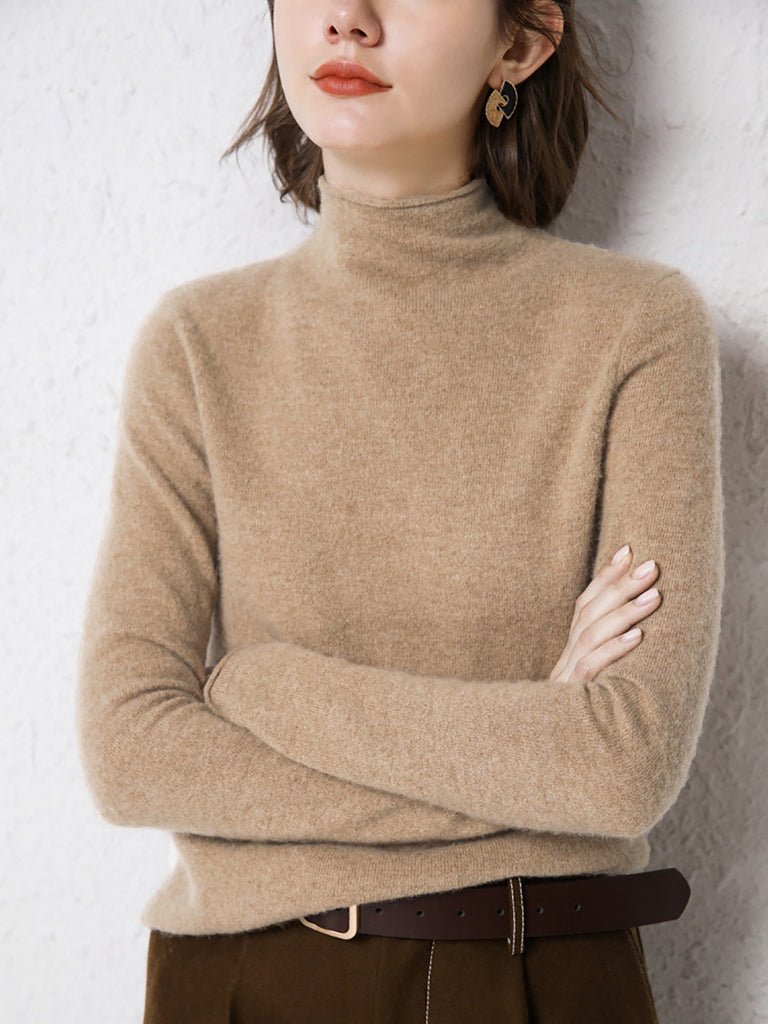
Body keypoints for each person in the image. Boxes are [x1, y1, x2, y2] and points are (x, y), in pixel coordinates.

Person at [75, 0, 724, 1021]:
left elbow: (622, 767)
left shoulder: (638, 328)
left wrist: (268, 689)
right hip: (244, 983)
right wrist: (529, 758)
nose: (348, 18)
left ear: (522, 40)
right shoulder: (198, 343)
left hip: (538, 975)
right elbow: (131, 753)